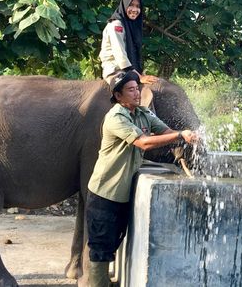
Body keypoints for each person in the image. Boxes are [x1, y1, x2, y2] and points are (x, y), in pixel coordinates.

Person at [83, 70, 198, 287]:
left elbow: (167, 131)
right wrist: (180, 135)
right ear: (118, 96)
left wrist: (187, 136)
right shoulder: (116, 118)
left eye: (137, 88)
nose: (136, 93)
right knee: (101, 249)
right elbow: (144, 142)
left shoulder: (143, 114)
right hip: (105, 193)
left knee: (114, 242)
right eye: (130, 90)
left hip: (123, 192)